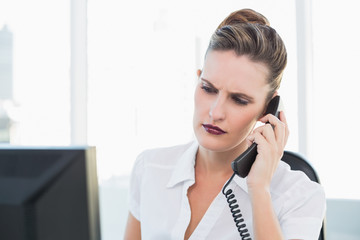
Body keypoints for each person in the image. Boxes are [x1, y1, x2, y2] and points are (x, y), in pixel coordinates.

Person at [124, 8, 326, 240]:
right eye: (208, 88)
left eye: (239, 100)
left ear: (267, 109)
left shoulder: (299, 197)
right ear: (198, 79)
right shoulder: (149, 169)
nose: (215, 112)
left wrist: (259, 190)